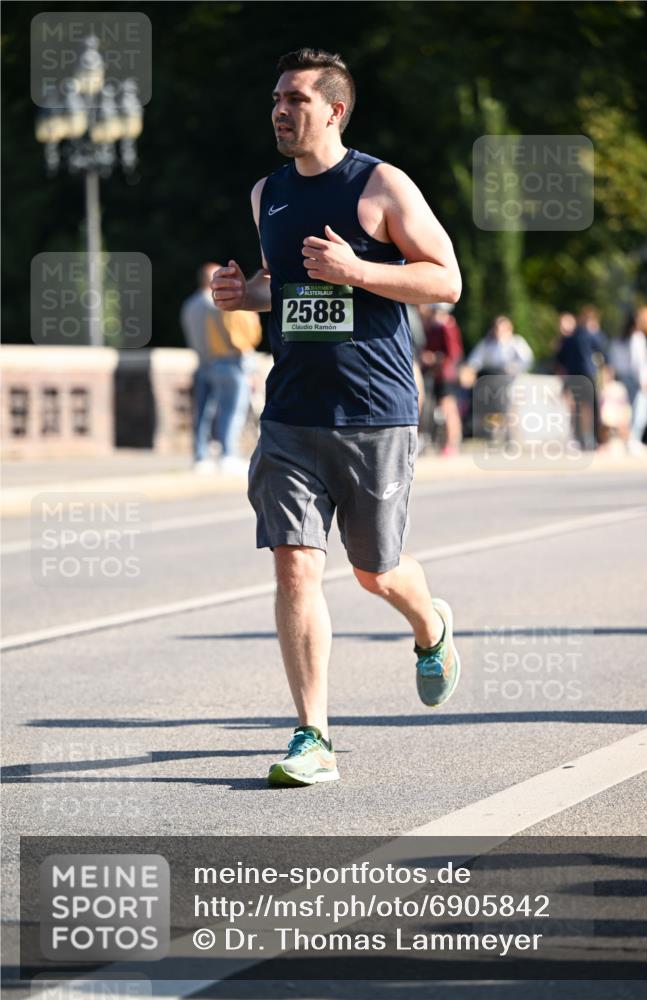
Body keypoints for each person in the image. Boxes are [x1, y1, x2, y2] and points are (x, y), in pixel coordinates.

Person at [211, 47, 463, 787]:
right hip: (291, 411)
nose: (280, 112)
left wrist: (359, 270)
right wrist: (244, 293)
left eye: (295, 99)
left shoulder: (380, 184)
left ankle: (430, 625)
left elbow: (444, 278)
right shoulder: (269, 194)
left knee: (374, 572)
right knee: (295, 568)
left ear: (334, 110)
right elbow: (283, 285)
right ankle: (310, 734)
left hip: (375, 411)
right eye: (275, 100)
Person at [180, 263, 262, 474]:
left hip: (203, 363)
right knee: (231, 411)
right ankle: (228, 454)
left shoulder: (189, 305)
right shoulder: (218, 304)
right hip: (228, 361)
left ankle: (200, 456)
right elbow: (237, 338)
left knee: (203, 413)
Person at [554, 308, 607, 451]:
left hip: (574, 376)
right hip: (588, 375)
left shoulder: (569, 339)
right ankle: (595, 440)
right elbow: (603, 353)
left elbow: (560, 360)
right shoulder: (590, 336)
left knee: (577, 409)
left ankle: (581, 439)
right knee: (592, 408)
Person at [609, 306, 647, 453]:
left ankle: (627, 440)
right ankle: (633, 440)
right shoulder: (637, 338)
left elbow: (614, 360)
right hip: (638, 380)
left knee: (626, 411)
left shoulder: (620, 339)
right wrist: (646, 380)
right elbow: (640, 362)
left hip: (624, 378)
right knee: (640, 411)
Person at [420, 303, 464, 455]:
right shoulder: (435, 327)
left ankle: (452, 442)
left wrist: (434, 359)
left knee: (448, 408)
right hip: (438, 374)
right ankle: (447, 442)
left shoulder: (446, 326)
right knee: (444, 408)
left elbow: (453, 354)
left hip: (446, 374)